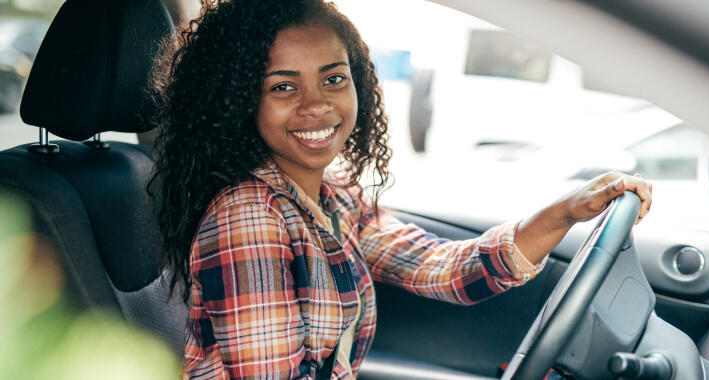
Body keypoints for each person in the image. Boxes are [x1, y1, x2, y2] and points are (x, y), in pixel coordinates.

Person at [149, 0, 652, 379]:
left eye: (333, 79)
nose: (316, 105)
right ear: (241, 102)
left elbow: (447, 270)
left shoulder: (333, 196)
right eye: (283, 86)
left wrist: (566, 211)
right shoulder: (249, 218)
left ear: (359, 86)